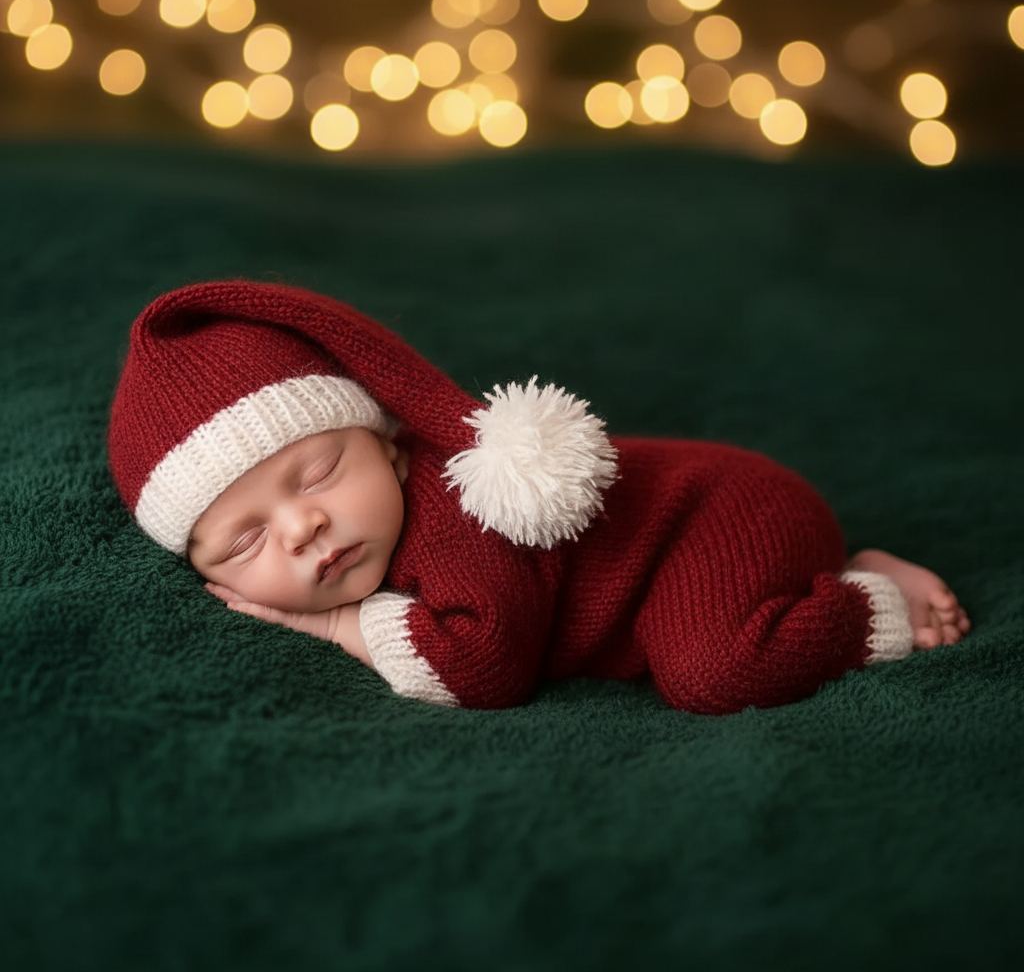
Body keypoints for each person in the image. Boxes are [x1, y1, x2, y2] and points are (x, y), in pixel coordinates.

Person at [108, 280, 969, 713]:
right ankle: (843, 564)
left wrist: (337, 624)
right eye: (244, 542)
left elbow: (486, 671)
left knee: (712, 673)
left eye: (321, 472)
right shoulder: (377, 529)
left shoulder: (453, 519)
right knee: (691, 651)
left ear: (397, 451)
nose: (304, 527)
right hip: (691, 553)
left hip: (720, 519)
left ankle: (868, 597)